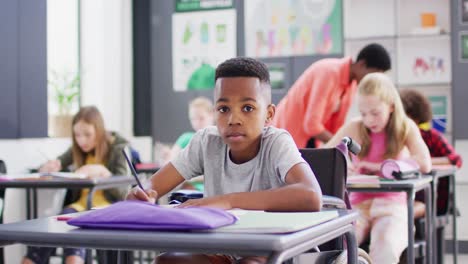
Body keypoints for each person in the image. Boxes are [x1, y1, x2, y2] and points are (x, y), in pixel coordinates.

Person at [127, 57, 322, 264]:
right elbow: (153, 187)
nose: (233, 119)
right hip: (223, 248)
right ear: (214, 113)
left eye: (247, 108)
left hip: (274, 248)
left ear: (269, 114)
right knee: (169, 261)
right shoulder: (206, 142)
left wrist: (227, 201)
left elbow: (310, 196)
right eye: (223, 109)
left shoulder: (276, 142)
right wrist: (141, 193)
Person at [324, 73, 431, 263]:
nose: (369, 120)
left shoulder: (405, 127)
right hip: (358, 206)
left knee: (385, 248)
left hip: (392, 206)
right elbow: (325, 155)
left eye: (375, 113)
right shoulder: (356, 126)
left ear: (391, 106)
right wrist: (343, 163)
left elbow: (424, 162)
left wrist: (379, 167)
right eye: (363, 113)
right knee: (338, 247)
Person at [22, 106, 130, 264]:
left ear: (99, 131)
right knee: (48, 232)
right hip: (79, 208)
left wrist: (104, 173)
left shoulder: (117, 148)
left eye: (87, 134)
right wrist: (49, 166)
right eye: (77, 135)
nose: (82, 140)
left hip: (107, 209)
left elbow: (123, 191)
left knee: (72, 228)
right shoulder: (77, 150)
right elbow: (57, 162)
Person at [273, 43, 391, 148]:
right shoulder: (329, 73)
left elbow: (336, 128)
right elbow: (311, 125)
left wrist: (340, 145)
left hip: (309, 140)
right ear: (361, 64)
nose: (374, 80)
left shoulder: (352, 85)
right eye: (373, 75)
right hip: (288, 134)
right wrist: (342, 145)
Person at [400, 88, 462, 215]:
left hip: (431, 200)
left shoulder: (431, 136)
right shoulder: (396, 138)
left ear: (413, 116)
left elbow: (456, 159)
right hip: (403, 197)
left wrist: (422, 162)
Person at [167, 96, 214, 163]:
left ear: (212, 115)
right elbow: (171, 161)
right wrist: (167, 157)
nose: (197, 123)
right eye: (193, 119)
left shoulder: (220, 138)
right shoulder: (186, 139)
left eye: (201, 118)